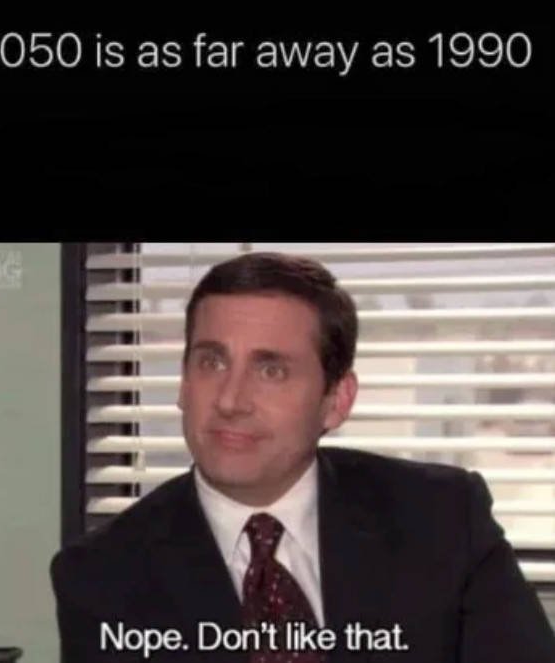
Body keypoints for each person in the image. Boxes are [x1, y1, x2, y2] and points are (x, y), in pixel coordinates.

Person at [51, 252, 555, 662]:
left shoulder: (444, 519)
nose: (230, 400)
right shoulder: (101, 577)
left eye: (271, 370)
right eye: (212, 362)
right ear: (183, 383)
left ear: (336, 400)